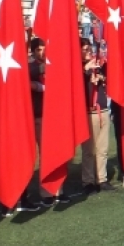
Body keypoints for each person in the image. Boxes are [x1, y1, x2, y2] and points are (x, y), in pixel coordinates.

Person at [28, 38, 71, 206]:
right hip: (40, 116)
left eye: (43, 49)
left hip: (56, 114)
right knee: (45, 155)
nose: (42, 52)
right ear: (33, 51)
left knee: (58, 153)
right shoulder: (31, 66)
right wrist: (42, 86)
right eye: (38, 50)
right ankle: (47, 192)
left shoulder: (50, 64)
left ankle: (59, 190)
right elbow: (27, 81)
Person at [80, 38, 116, 194]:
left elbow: (109, 81)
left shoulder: (97, 66)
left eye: (90, 49)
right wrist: (85, 70)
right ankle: (88, 180)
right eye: (85, 49)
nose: (89, 52)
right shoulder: (78, 69)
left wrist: (101, 78)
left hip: (102, 110)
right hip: (88, 112)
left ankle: (101, 178)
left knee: (103, 148)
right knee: (89, 150)